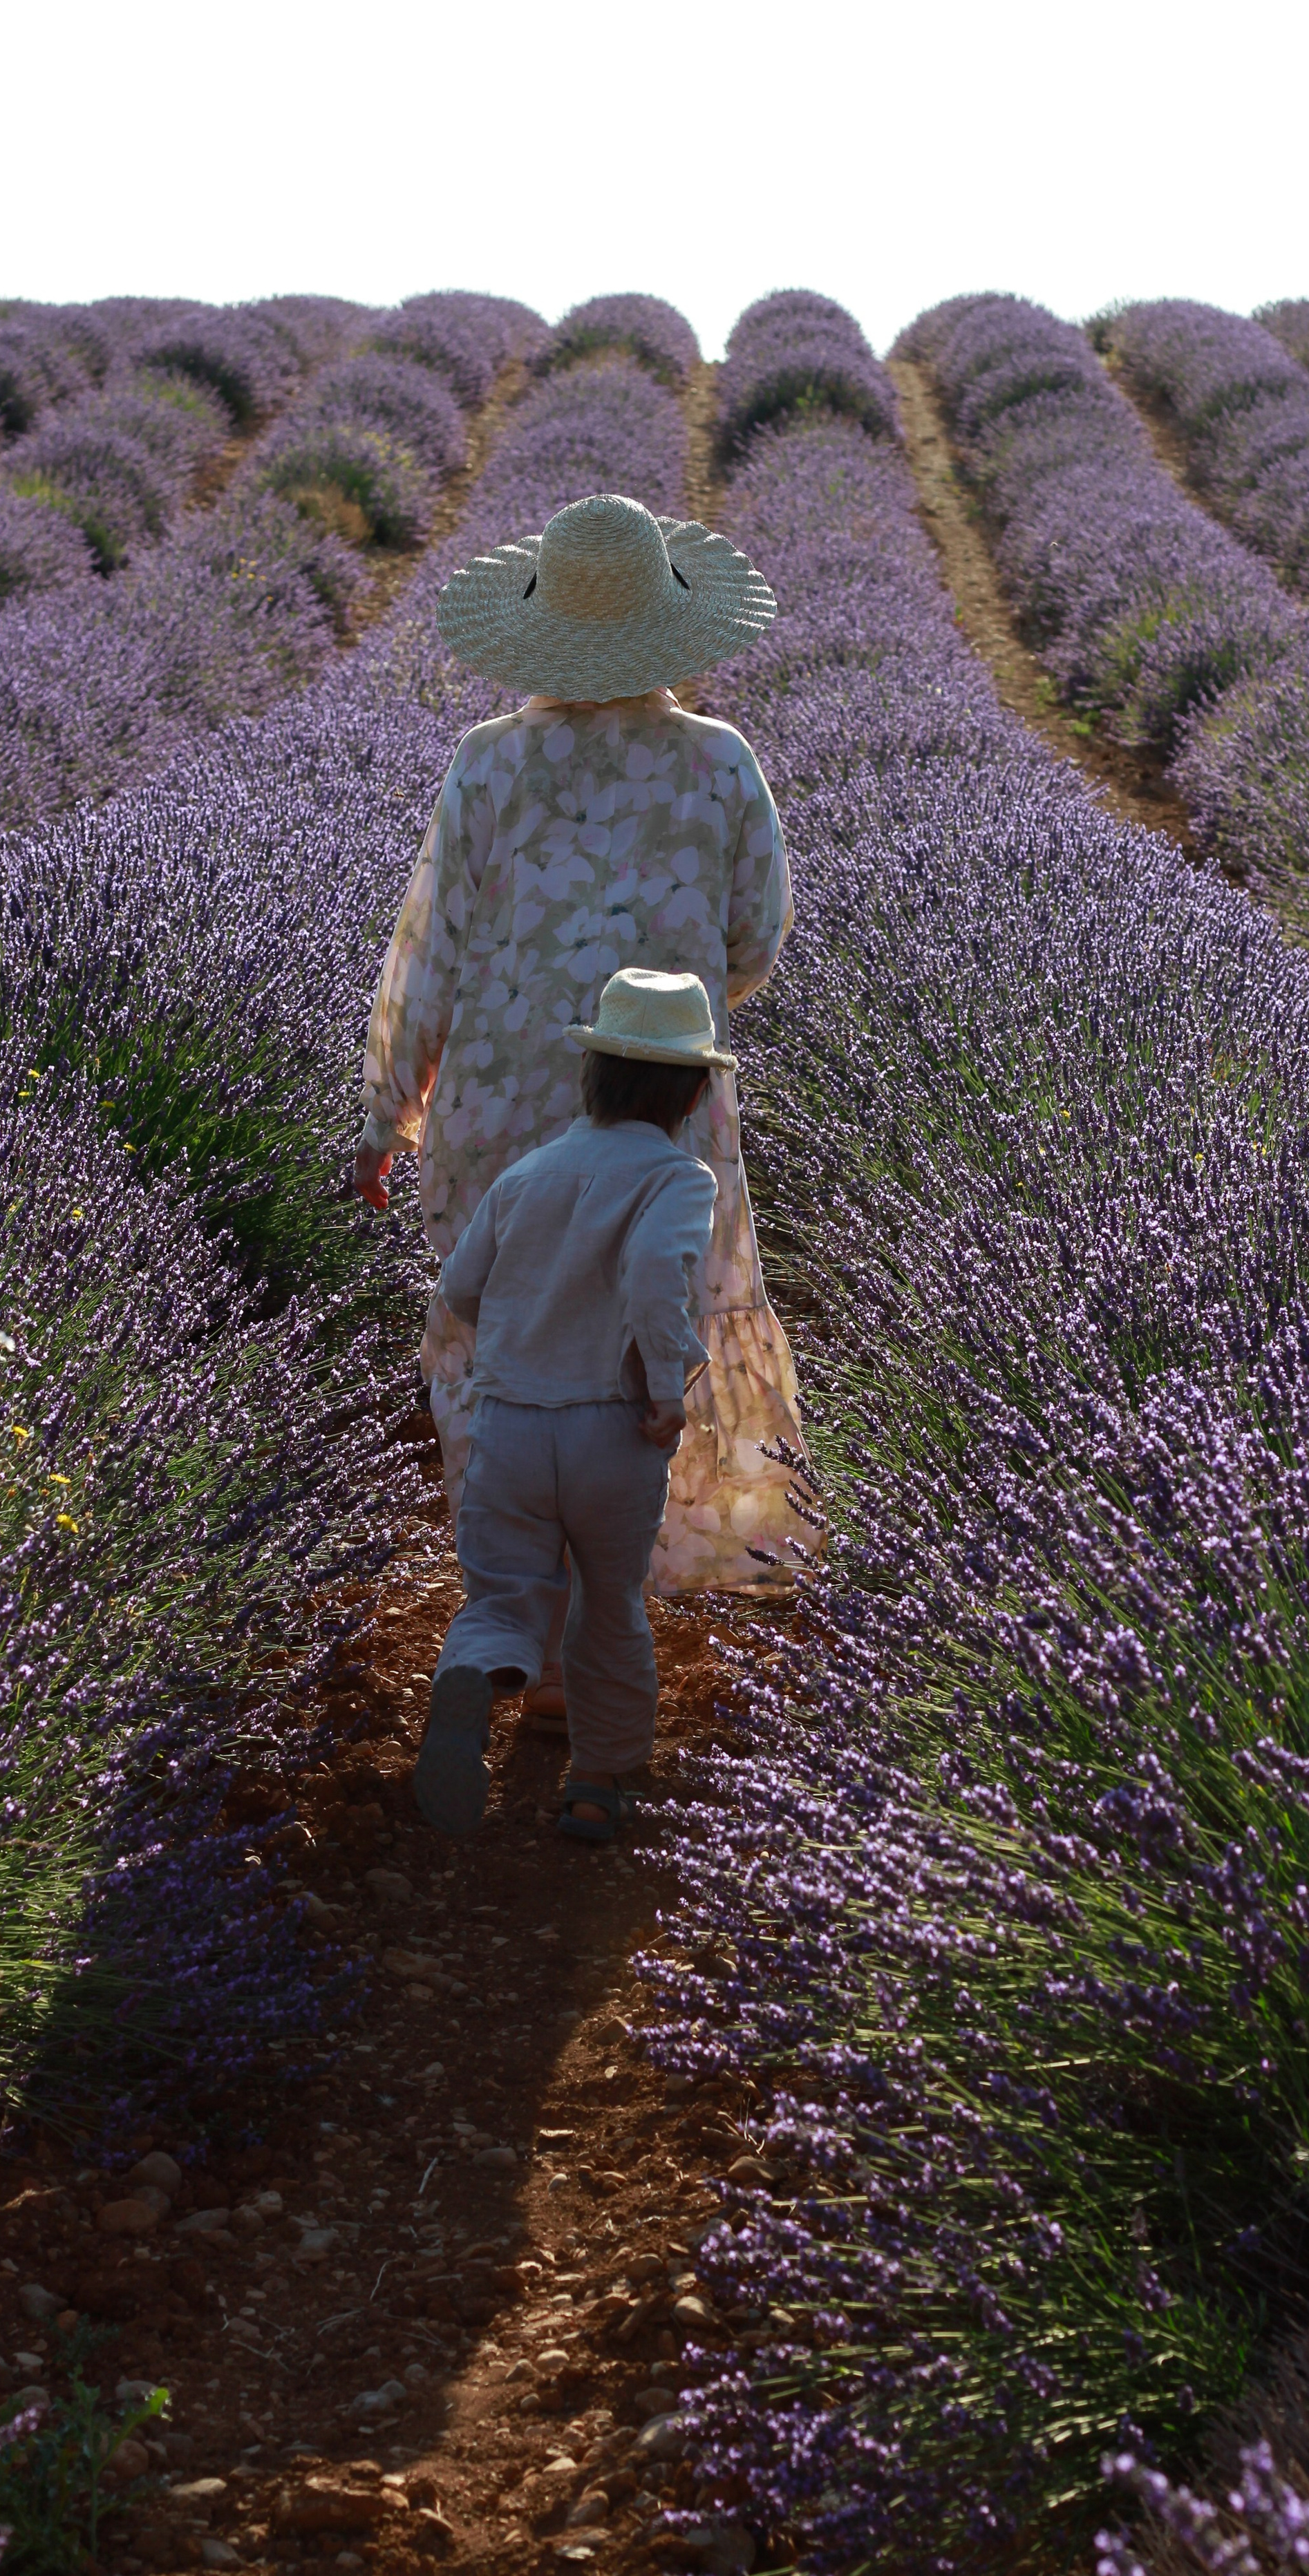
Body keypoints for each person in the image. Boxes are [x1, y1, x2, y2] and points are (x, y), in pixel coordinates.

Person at [355, 490, 817, 1721]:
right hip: (658, 1106)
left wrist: (389, 1108)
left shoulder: (488, 764)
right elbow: (756, 940)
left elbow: (431, 951)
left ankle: (526, 1621)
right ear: (669, 627)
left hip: (497, 1113)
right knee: (644, 1341)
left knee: (501, 1355)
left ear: (543, 624)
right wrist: (676, 999)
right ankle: (604, 1629)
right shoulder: (721, 765)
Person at [413, 969, 722, 1844]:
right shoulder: (677, 1179)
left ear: (590, 1076)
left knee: (505, 1591)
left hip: (510, 1422)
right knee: (608, 1606)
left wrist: (529, 1327)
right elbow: (659, 1279)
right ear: (694, 1092)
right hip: (611, 1429)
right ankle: (595, 1784)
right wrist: (665, 1391)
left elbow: (461, 1289)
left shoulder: (529, 1172)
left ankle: (479, 1669)